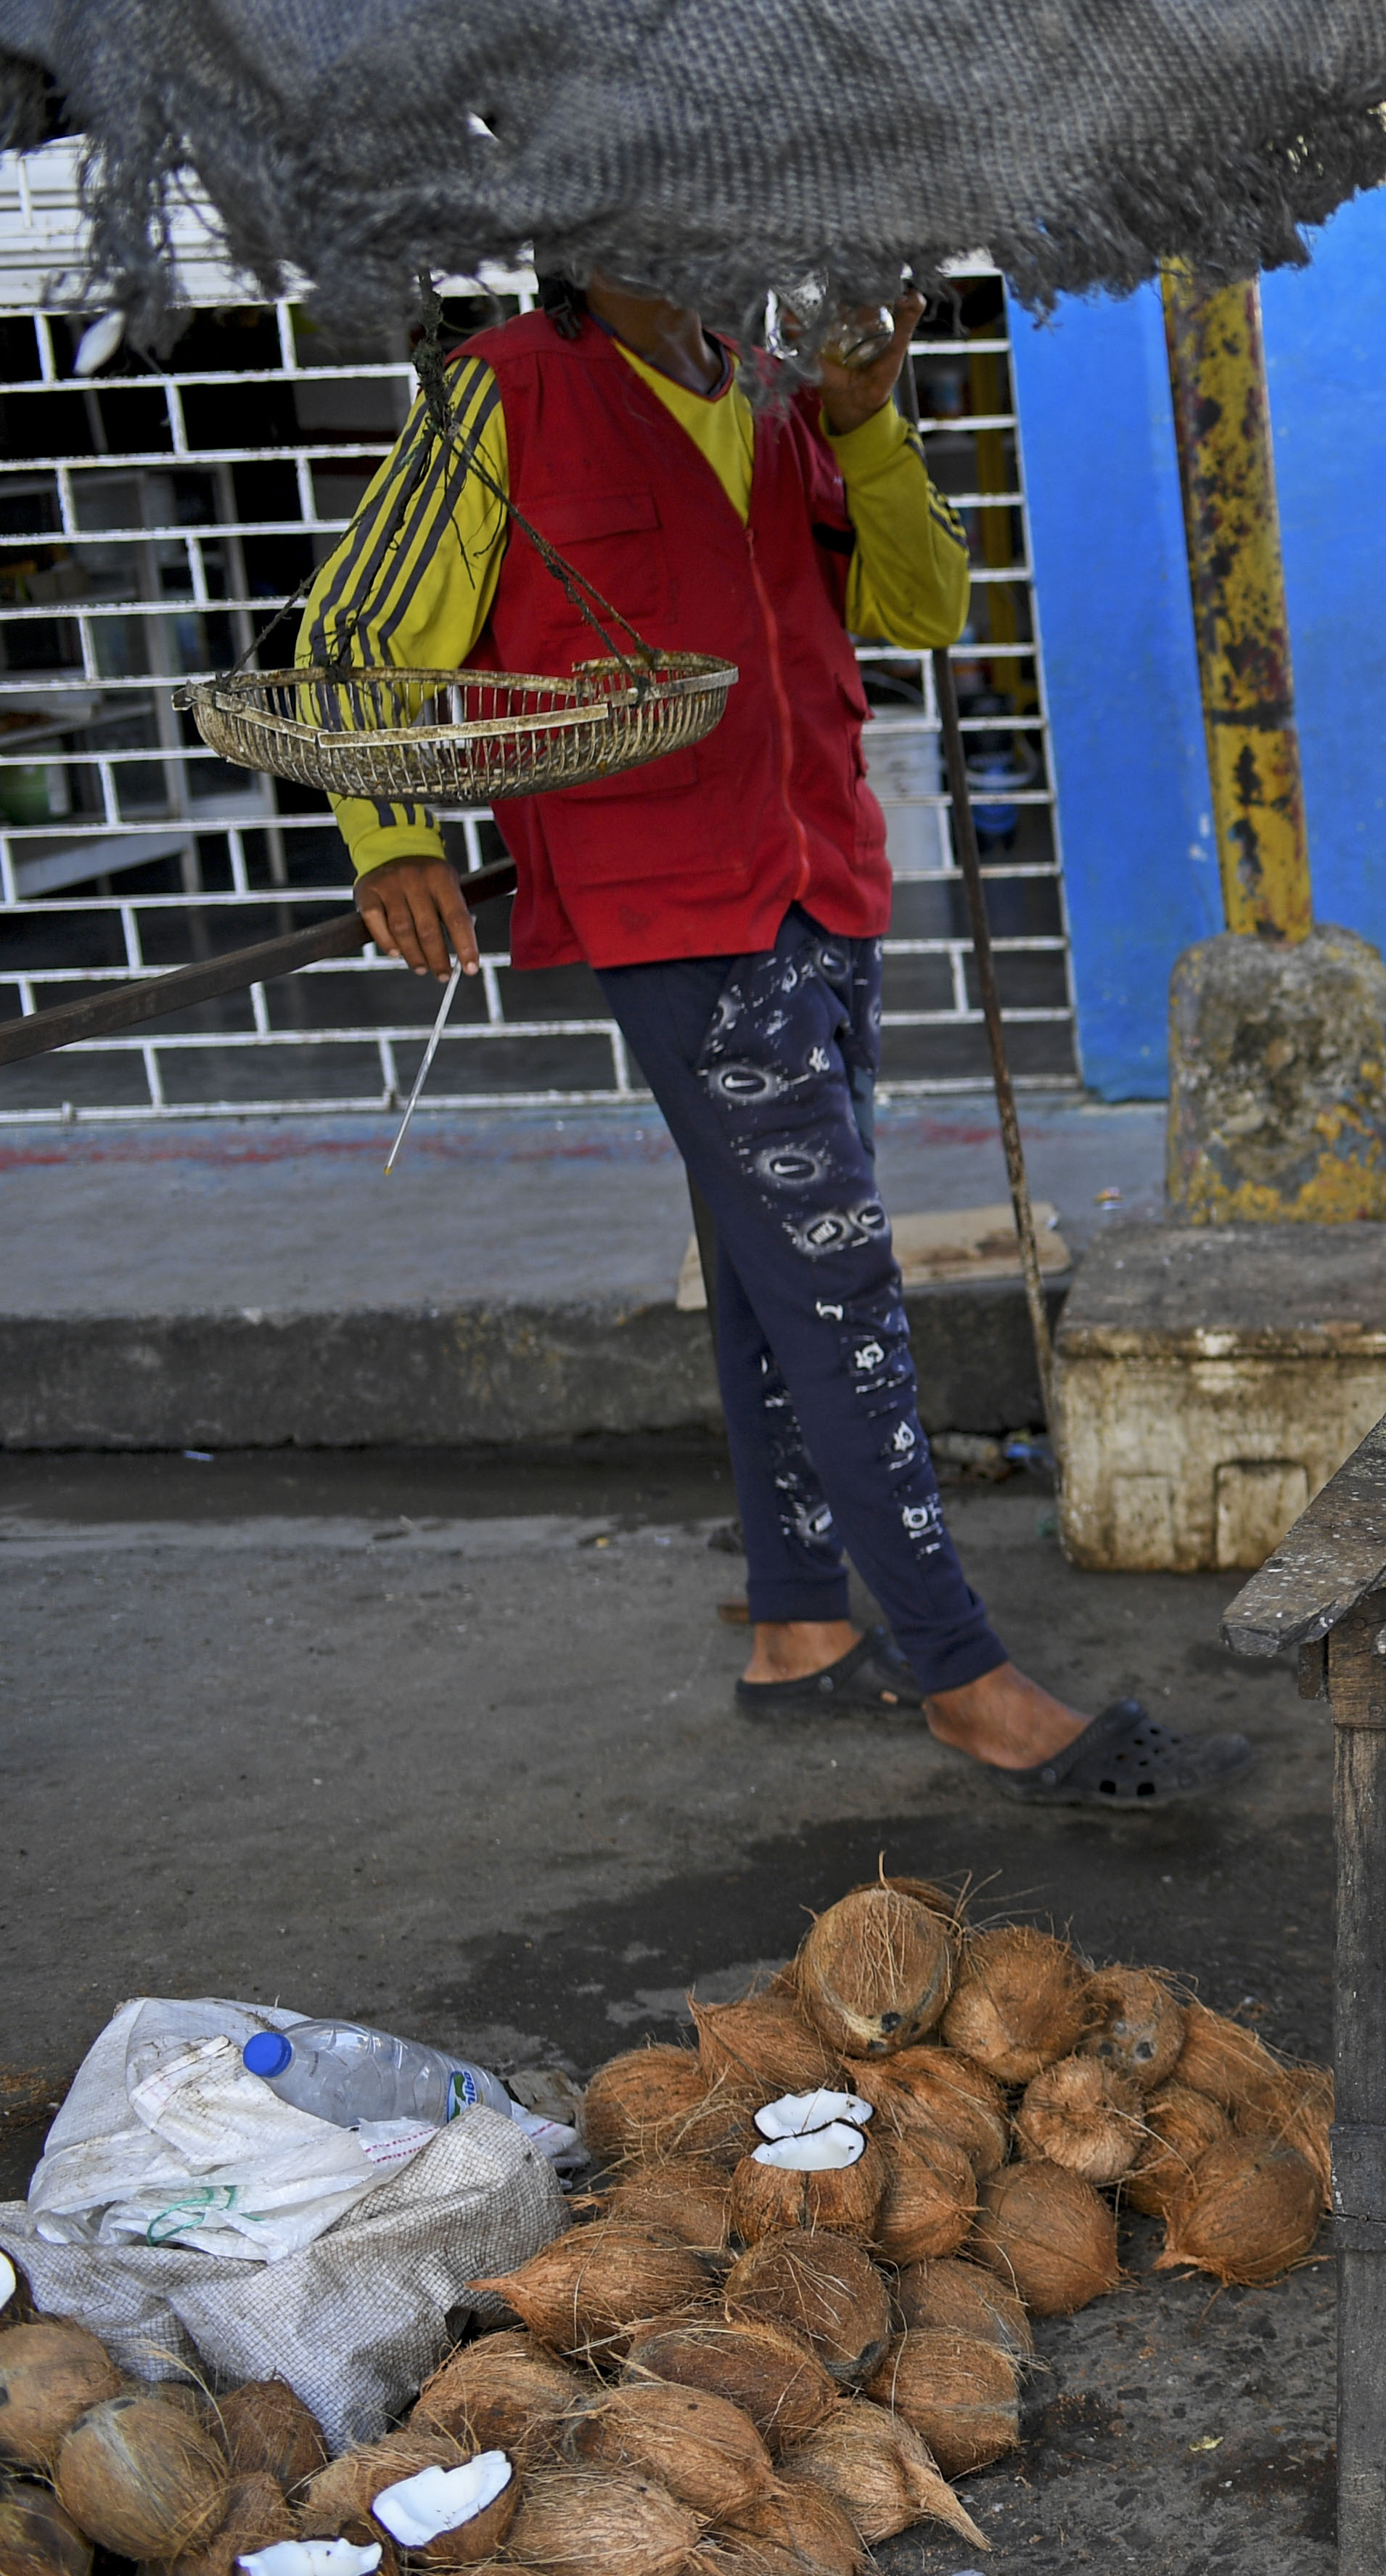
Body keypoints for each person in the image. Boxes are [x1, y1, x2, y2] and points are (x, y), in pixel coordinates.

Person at [322, 274, 1256, 1803]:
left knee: (777, 1272)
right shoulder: (503, 393)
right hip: (669, 906)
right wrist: (388, 834)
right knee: (838, 1281)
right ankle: (965, 1676)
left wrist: (868, 417)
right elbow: (356, 633)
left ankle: (803, 1627)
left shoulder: (778, 388)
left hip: (822, 876)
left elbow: (922, 605)